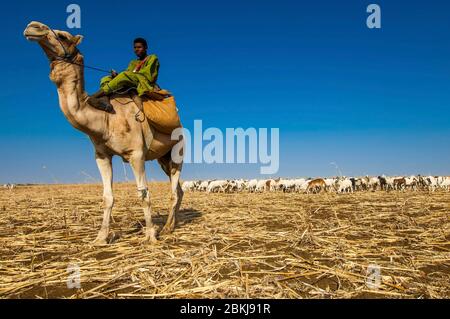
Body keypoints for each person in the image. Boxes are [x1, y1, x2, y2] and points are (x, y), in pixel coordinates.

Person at [87, 37, 160, 112]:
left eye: (139, 47)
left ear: (145, 48)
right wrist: (116, 76)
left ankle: (95, 96)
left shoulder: (152, 58)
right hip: (131, 80)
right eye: (135, 48)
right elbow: (128, 74)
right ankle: (105, 99)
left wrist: (126, 75)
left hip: (143, 82)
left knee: (124, 75)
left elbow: (148, 75)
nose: (136, 50)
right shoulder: (133, 62)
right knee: (105, 78)